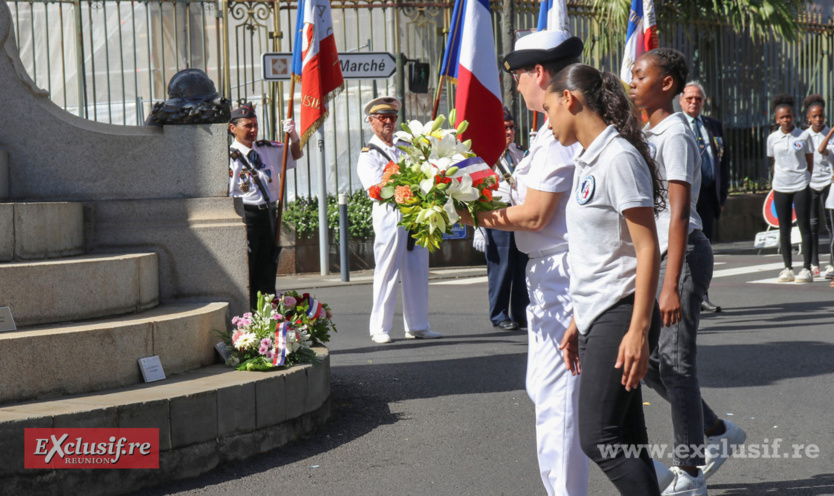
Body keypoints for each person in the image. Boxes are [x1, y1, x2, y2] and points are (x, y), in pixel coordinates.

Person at [460, 30, 589, 496]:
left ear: (539, 73)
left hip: (563, 274)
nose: (514, 86)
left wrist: (472, 213)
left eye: (517, 76)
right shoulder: (544, 132)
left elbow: (535, 214)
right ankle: (642, 477)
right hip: (546, 277)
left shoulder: (558, 133)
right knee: (546, 390)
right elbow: (522, 196)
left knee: (558, 404)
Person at [545, 63, 665, 496]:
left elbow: (647, 246)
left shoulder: (618, 158)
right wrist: (581, 315)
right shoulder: (589, 159)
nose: (547, 120)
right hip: (600, 313)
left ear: (569, 100)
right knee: (628, 441)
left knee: (600, 438)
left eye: (547, 109)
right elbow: (602, 250)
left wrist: (638, 330)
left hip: (621, 313)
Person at [630, 48, 744, 495]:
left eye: (642, 75)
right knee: (652, 363)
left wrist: (671, 285)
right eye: (633, 74)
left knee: (675, 364)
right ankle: (715, 429)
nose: (633, 80)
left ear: (668, 85)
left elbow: (678, 214)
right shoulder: (650, 131)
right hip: (657, 257)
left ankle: (690, 473)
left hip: (680, 254)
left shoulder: (675, 134)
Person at [356, 96, 441, 344]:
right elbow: (374, 188)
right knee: (387, 269)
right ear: (371, 121)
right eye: (382, 118)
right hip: (390, 213)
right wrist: (401, 182)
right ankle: (379, 327)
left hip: (415, 211)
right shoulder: (368, 153)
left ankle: (417, 325)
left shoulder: (405, 145)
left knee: (417, 268)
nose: (389, 123)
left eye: (392, 117)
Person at [228, 102, 303, 310]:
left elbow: (295, 154)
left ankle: (268, 316)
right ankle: (249, 315)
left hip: (269, 215)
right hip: (247, 217)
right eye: (247, 125)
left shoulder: (266, 149)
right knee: (249, 270)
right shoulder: (228, 158)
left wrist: (294, 136)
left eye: (255, 125)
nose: (253, 130)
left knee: (268, 267)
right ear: (233, 128)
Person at [472, 106, 529, 331]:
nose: (509, 132)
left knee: (521, 267)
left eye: (512, 127)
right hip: (497, 214)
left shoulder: (521, 153)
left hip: (519, 213)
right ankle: (499, 314)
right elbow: (475, 192)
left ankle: (521, 312)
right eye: (504, 128)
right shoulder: (486, 157)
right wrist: (478, 228)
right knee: (501, 268)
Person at [678, 82, 729, 313]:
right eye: (689, 98)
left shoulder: (713, 126)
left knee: (704, 246)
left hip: (708, 194)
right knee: (679, 246)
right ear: (681, 100)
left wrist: (722, 196)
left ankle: (702, 294)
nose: (693, 102)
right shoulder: (676, 126)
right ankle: (679, 293)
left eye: (698, 98)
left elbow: (724, 162)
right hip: (684, 193)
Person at [768, 94, 815, 283]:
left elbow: (809, 160)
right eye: (782, 117)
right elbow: (773, 162)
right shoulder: (772, 138)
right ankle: (787, 268)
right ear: (777, 119)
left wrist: (805, 177)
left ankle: (806, 268)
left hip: (801, 185)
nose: (786, 120)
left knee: (805, 227)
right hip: (780, 186)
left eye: (788, 116)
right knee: (784, 228)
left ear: (794, 116)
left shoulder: (804, 136)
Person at [801, 94, 833, 278]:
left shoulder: (830, 133)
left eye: (821, 115)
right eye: (814, 116)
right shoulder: (804, 136)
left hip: (828, 182)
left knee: (830, 225)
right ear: (808, 118)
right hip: (810, 184)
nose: (818, 119)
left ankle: (831, 263)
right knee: (812, 224)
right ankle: (814, 263)